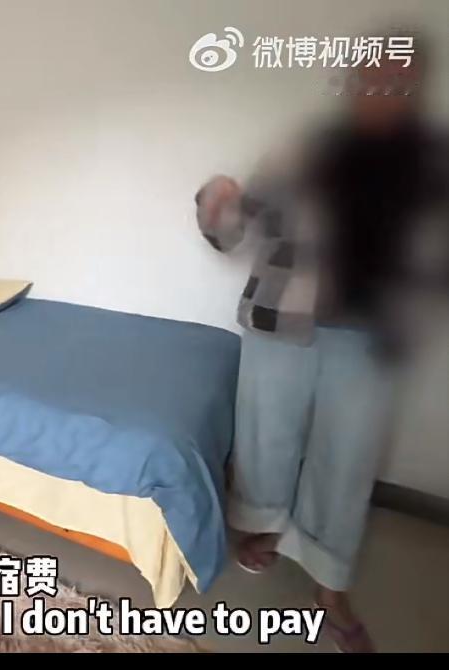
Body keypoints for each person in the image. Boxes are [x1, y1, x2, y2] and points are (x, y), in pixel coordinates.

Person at [196, 42, 447, 653]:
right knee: (266, 435)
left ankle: (329, 586)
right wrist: (217, 204)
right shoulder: (301, 150)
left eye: (398, 83)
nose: (382, 94)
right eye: (371, 80)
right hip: (279, 318)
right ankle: (262, 528)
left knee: (349, 456)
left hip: (371, 332)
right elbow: (234, 232)